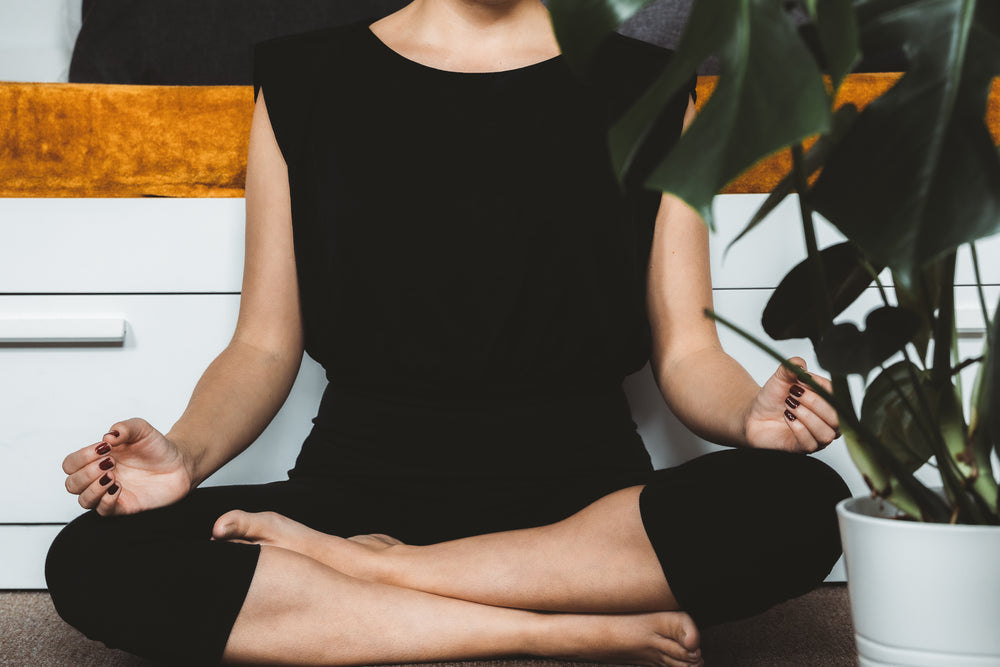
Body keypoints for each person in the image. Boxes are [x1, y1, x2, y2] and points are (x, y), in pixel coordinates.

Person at [45, 1, 850, 666]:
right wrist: (183, 454)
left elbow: (686, 349)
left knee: (805, 504)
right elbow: (262, 344)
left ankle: (381, 574)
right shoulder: (302, 78)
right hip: (353, 489)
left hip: (587, 512)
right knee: (94, 559)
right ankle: (547, 630)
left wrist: (750, 415)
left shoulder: (653, 83)